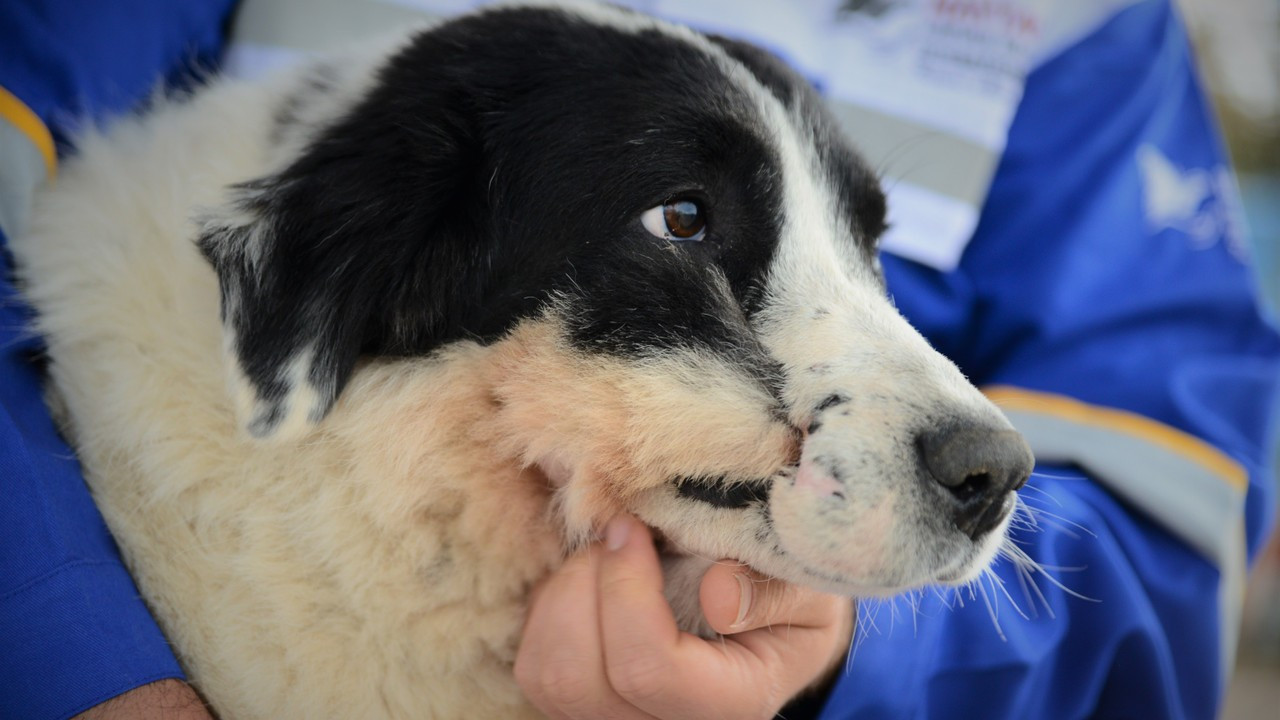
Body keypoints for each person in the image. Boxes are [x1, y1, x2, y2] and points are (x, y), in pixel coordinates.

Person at [2, 1, 1276, 718]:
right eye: (688, 223)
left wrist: (835, 656)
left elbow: (1165, 543)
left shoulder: (1087, 31)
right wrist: (83, 669)